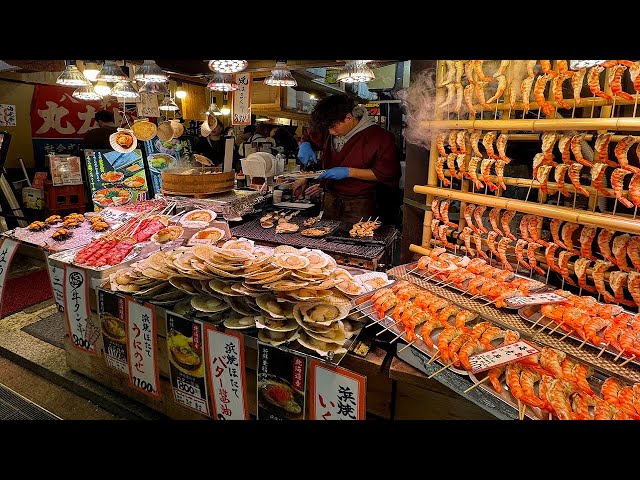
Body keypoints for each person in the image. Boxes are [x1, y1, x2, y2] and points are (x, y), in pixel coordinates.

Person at [292, 93, 401, 224]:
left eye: (333, 127)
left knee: (357, 239)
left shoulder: (381, 138)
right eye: (328, 128)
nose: (330, 132)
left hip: (360, 204)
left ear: (349, 118)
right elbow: (309, 135)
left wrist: (349, 172)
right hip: (330, 200)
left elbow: (387, 174)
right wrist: (305, 145)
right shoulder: (330, 126)